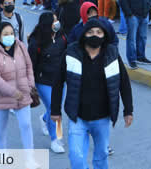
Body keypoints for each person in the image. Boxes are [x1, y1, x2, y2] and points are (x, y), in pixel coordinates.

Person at [51, 19, 133, 169]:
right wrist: (55, 110)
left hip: (103, 118)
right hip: (78, 117)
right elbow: (58, 82)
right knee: (76, 157)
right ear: (84, 34)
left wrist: (128, 110)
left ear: (104, 35)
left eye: (98, 32)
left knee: (101, 157)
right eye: (90, 32)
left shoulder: (112, 53)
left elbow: (124, 83)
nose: (94, 35)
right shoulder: (71, 53)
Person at [0, 21, 35, 151]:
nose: (10, 36)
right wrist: (12, 92)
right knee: (1, 128)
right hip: (1, 96)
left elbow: (29, 66)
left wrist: (30, 85)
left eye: (12, 33)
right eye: (6, 34)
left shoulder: (21, 46)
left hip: (23, 94)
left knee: (26, 125)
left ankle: (29, 158)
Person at [27, 12, 68, 154]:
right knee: (54, 108)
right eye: (54, 20)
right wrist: (30, 83)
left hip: (61, 80)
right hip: (43, 80)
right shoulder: (36, 42)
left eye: (57, 20)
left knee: (54, 108)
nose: (57, 23)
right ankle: (55, 139)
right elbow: (30, 64)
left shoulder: (62, 36)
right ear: (46, 24)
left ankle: (44, 119)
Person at [118, 0, 151, 70]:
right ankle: (132, 59)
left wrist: (147, 8)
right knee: (131, 38)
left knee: (142, 37)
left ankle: (141, 56)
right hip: (133, 16)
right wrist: (129, 14)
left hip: (144, 14)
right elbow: (123, 0)